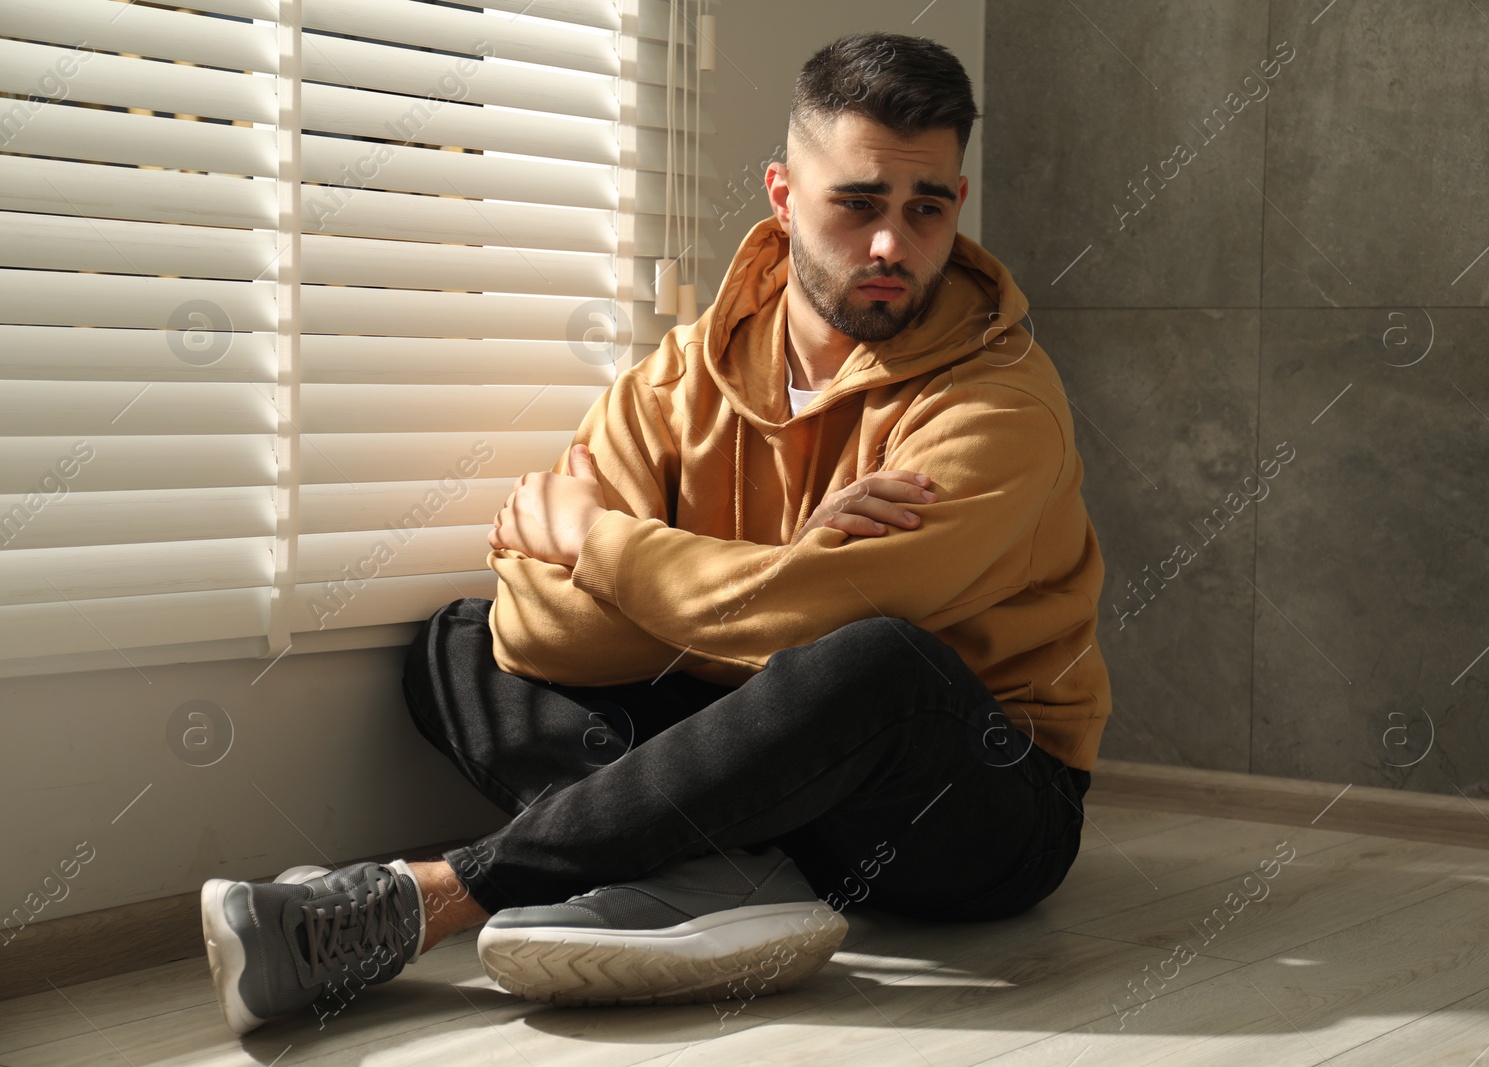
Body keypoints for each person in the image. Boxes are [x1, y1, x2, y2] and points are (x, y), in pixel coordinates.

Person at [200, 31, 1111, 1036]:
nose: (892, 245)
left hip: (969, 801)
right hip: (762, 763)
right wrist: (786, 575)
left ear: (956, 206)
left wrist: (605, 545)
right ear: (781, 194)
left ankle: (428, 897)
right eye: (857, 203)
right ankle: (725, 870)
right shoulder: (678, 379)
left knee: (876, 659)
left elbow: (830, 629)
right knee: (460, 638)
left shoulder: (997, 402)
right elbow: (541, 630)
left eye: (925, 207)